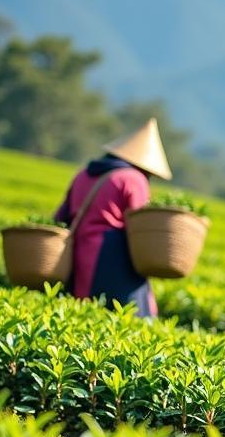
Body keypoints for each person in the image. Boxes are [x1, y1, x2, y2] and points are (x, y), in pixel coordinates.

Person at [54, 118, 171, 318]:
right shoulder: (133, 179)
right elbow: (141, 229)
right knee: (128, 318)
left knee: (82, 314)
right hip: (112, 257)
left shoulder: (83, 174)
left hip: (78, 252)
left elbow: (60, 216)